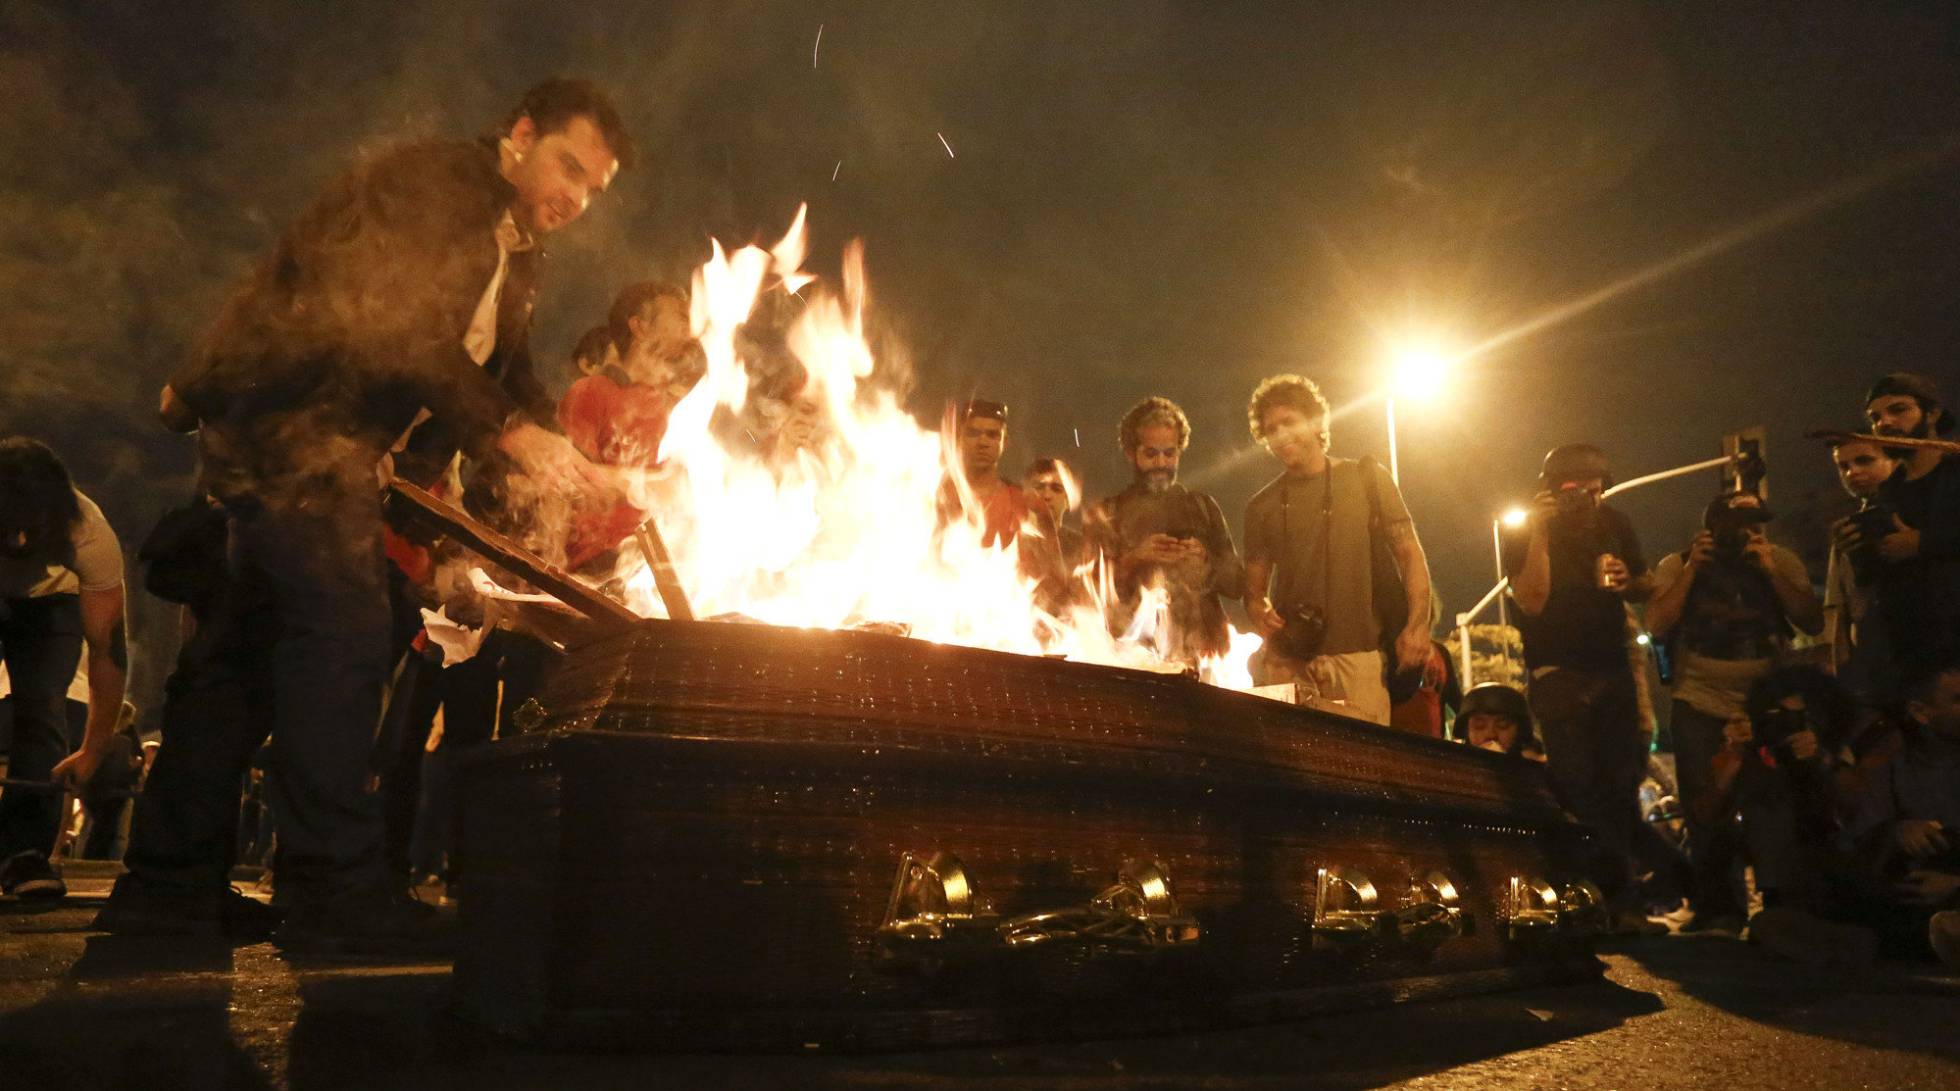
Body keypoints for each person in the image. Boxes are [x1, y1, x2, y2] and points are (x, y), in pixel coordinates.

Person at [98, 78, 632, 952]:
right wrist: (505, 433)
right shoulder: (438, 187)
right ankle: (329, 890)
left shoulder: (518, 252)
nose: (574, 196)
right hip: (298, 421)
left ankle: (167, 885)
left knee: (242, 655)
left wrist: (575, 459)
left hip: (317, 438)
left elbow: (509, 374)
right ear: (520, 133)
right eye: (567, 165)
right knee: (340, 639)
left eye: (592, 188)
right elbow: (398, 328)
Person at [1646, 491, 1823, 932]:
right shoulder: (1679, 563)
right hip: (1700, 700)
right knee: (1707, 806)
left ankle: (1781, 903)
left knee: (1772, 801)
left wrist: (1769, 569)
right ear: (1710, 529)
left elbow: (1811, 620)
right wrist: (1691, 570)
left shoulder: (1778, 559)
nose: (1745, 536)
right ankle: (1720, 906)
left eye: (1754, 527)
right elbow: (1656, 624)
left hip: (1765, 699)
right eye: (1734, 528)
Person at [1501, 443, 1656, 931]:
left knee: (1620, 784)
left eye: (1591, 488)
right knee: (1574, 788)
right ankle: (1581, 903)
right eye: (1569, 488)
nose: (1582, 497)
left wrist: (1629, 580)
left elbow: (1644, 584)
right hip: (1557, 671)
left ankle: (1624, 903)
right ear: (1548, 490)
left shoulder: (1615, 523)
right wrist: (1540, 532)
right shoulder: (1525, 529)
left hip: (1611, 664)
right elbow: (1531, 600)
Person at [1242, 375, 1433, 726]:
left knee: (1365, 772)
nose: (1281, 435)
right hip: (1288, 663)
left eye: (1290, 422)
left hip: (1358, 660)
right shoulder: (1261, 506)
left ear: (1316, 422)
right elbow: (1253, 593)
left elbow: (1410, 554)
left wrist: (1417, 625)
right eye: (1270, 430)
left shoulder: (1366, 479)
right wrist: (1260, 611)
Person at [0, 438, 129, 900]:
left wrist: (94, 748)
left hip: (51, 601)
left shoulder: (88, 532)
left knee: (42, 705)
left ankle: (24, 855)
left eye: (29, 531)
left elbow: (107, 652)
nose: (17, 542)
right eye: (8, 528)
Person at [1084, 398, 1244, 666]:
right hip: (1132, 657)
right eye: (1151, 453)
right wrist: (1134, 559)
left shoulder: (1202, 507)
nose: (1161, 463)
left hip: (1202, 655)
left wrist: (1205, 562)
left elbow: (1237, 584)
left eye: (1169, 454)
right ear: (1130, 452)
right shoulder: (1107, 513)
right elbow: (1085, 592)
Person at [1849, 373, 1960, 690]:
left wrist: (1924, 543)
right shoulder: (1887, 493)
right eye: (1875, 417)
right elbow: (1878, 580)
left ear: (1933, 413)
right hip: (1915, 659)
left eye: (1898, 410)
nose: (1884, 423)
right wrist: (1860, 551)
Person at [1823, 434, 1898, 695]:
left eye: (1865, 460)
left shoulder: (1923, 516)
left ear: (1894, 462)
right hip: (1875, 667)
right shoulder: (1848, 531)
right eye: (1843, 466)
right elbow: (1840, 610)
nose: (1853, 471)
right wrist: (1845, 677)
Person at [938, 399, 1033, 548]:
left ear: (1005, 442)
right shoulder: (936, 495)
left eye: (993, 435)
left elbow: (1053, 568)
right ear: (958, 439)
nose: (983, 442)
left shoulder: (1022, 502)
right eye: (973, 433)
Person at [1450, 682, 1544, 760]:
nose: (1491, 734)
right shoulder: (1452, 771)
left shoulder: (1537, 776)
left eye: (1503, 725)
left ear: (1520, 731)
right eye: (1479, 726)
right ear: (1466, 731)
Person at [1023, 457, 1085, 573]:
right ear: (1026, 494)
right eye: (1039, 487)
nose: (1047, 495)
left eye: (1056, 489)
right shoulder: (1009, 542)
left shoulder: (1080, 549)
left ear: (1067, 499)